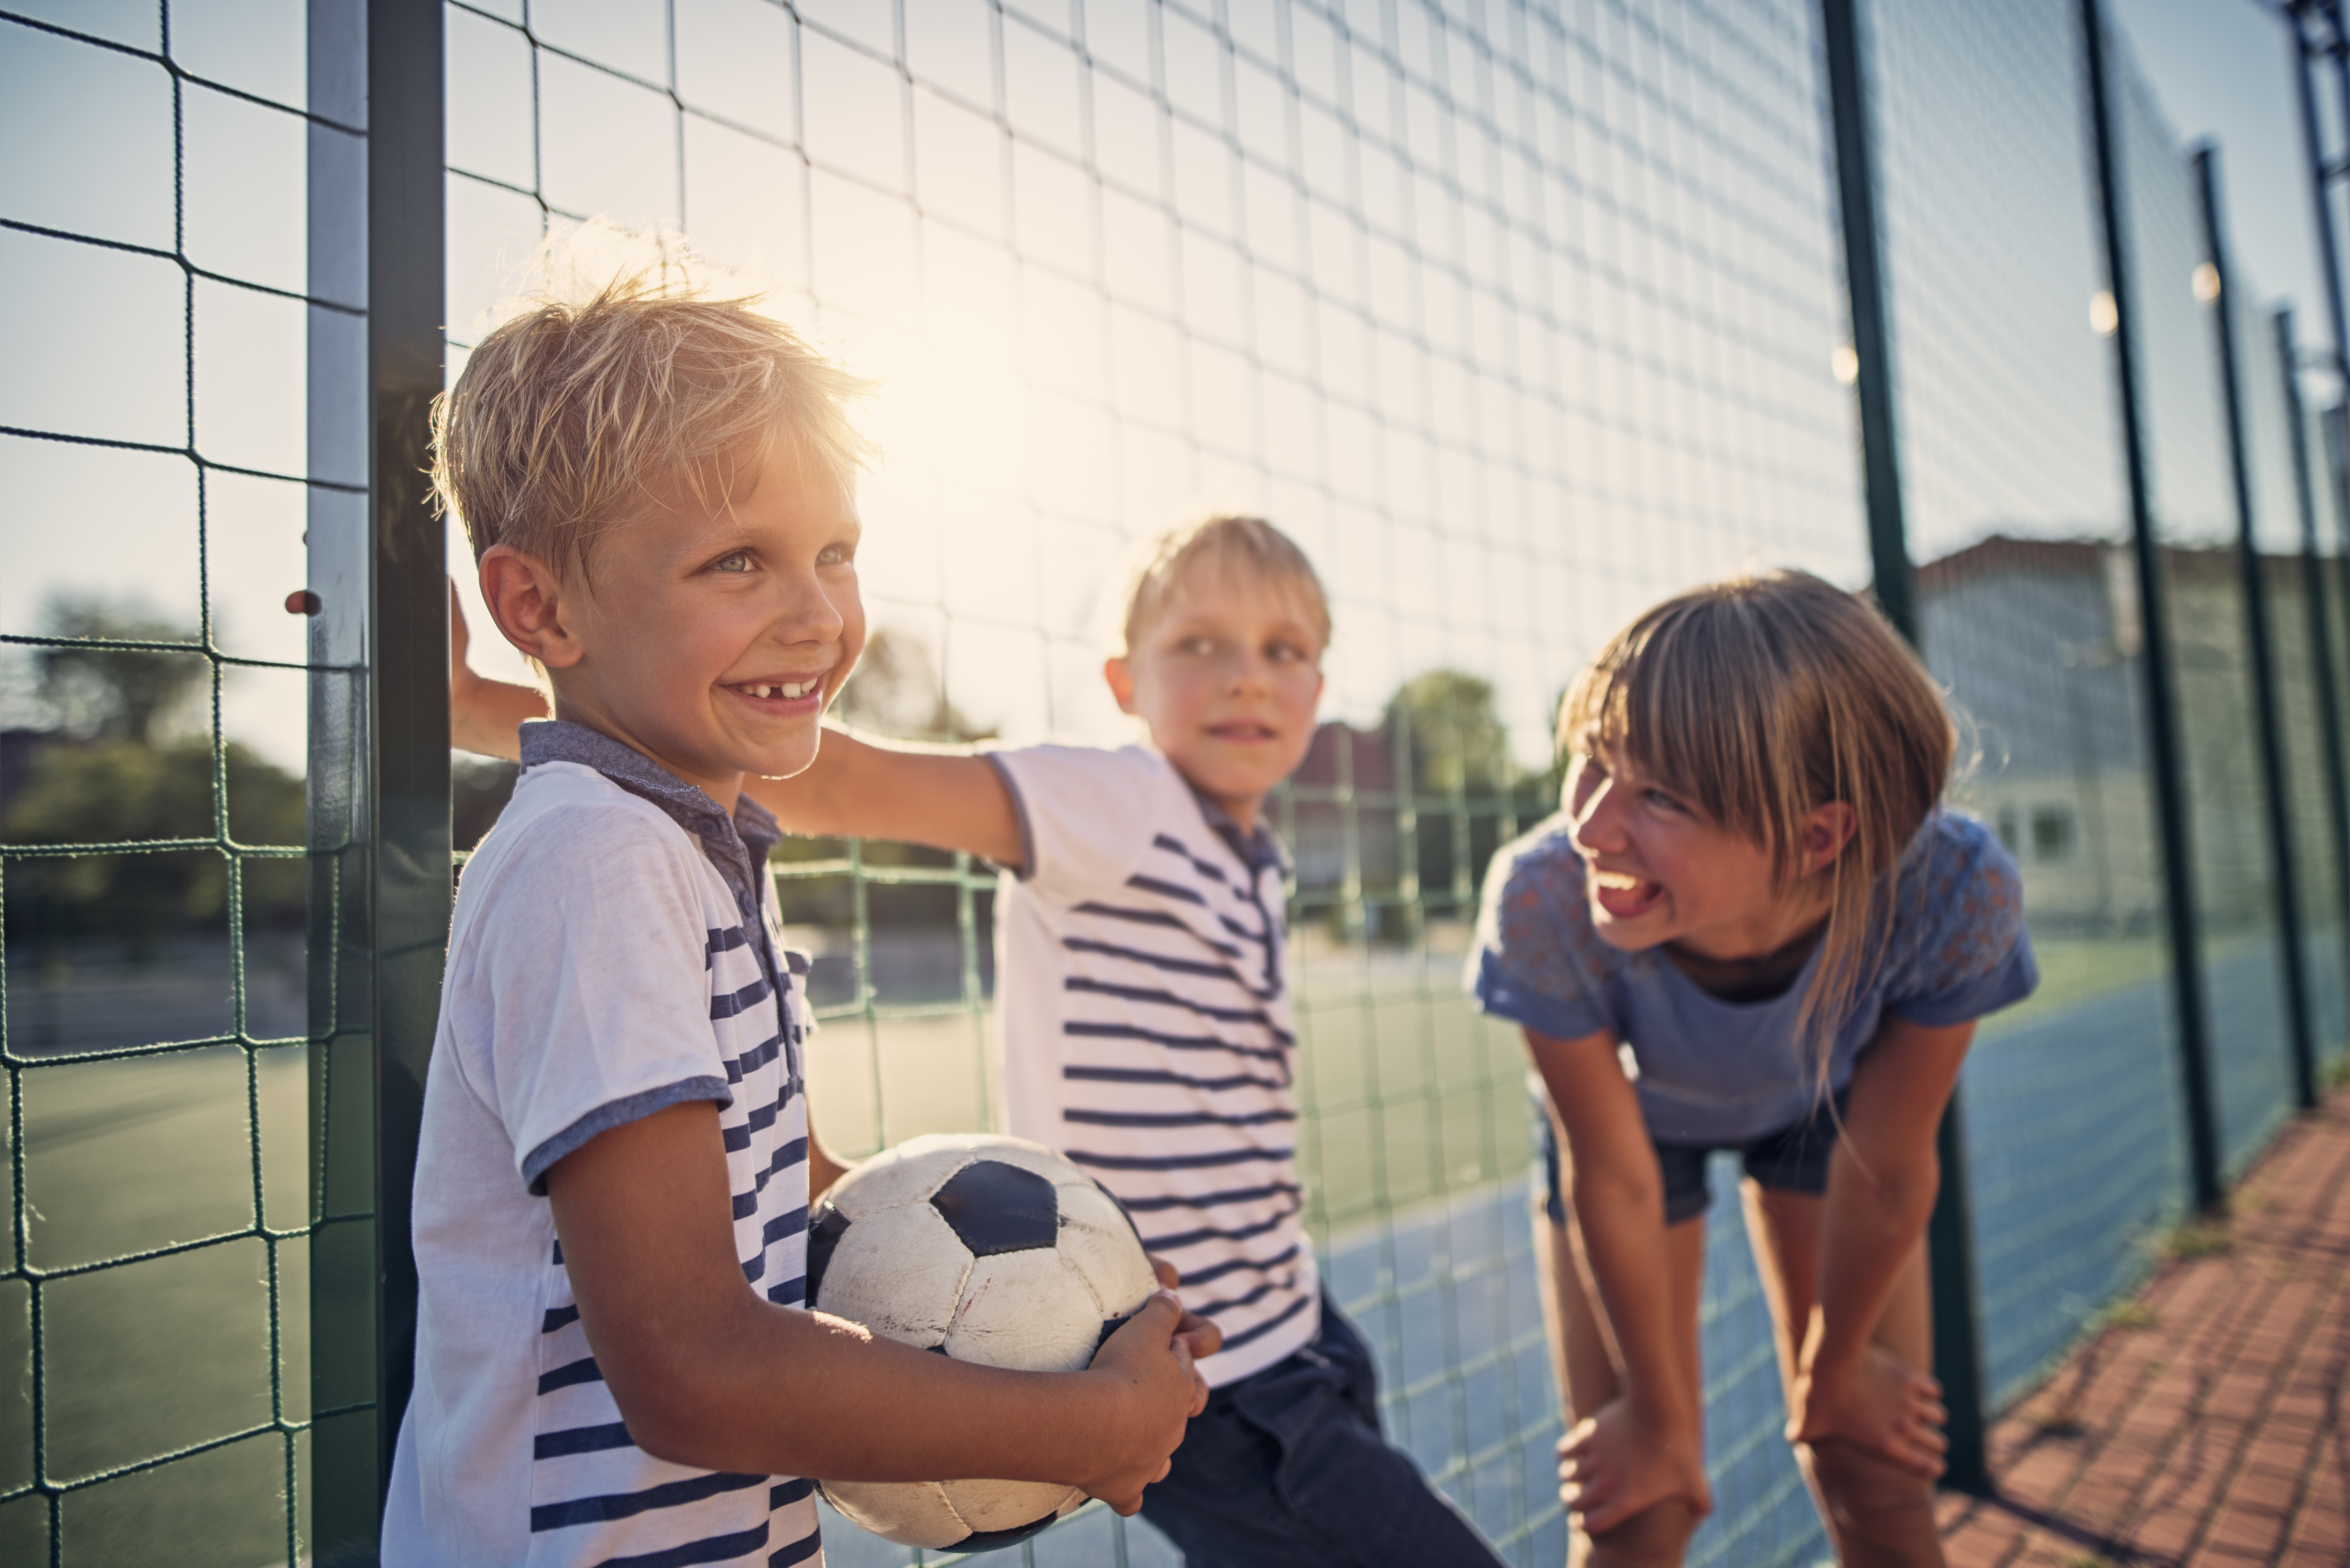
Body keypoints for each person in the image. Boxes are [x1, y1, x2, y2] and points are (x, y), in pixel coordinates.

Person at [450, 515, 1510, 1566]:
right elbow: (835, 778)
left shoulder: (1255, 853)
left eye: (1283, 653)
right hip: (1210, 1381)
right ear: (1124, 683)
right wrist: (475, 706)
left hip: (1293, 1317)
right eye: (1200, 647)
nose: (1246, 679)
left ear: (1321, 691)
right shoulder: (1116, 800)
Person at [391, 265, 1220, 1568]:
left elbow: (784, 1205)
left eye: (834, 552)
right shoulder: (597, 862)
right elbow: (690, 1365)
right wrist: (1076, 1424)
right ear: (539, 607)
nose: (818, 614)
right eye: (739, 561)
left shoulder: (690, 844)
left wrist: (1087, 1314)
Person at [1468, 571, 2038, 1568]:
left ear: (1819, 836)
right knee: (1634, 1512)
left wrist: (1840, 1367)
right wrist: (1653, 1414)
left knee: (1877, 1474)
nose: (1594, 826)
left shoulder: (1955, 891)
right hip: (1629, 1140)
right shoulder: (1544, 897)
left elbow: (1890, 1167)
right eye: (1594, 762)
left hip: (1826, 1116)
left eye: (1660, 796)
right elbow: (1611, 1172)